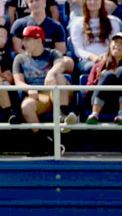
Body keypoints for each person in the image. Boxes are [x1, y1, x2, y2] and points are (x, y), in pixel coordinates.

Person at [14, 25, 76, 155]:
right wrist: (29, 89)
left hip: (57, 91)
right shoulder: (20, 59)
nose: (24, 43)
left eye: (28, 39)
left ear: (38, 41)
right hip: (39, 95)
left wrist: (50, 74)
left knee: (58, 77)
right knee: (26, 105)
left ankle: (62, 115)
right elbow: (18, 81)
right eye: (23, 39)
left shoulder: (52, 53)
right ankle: (44, 142)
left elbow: (60, 64)